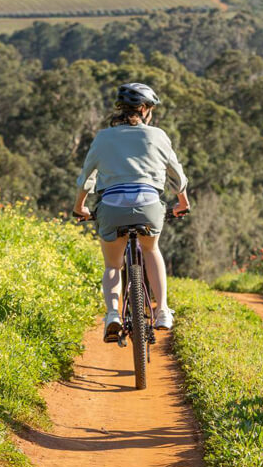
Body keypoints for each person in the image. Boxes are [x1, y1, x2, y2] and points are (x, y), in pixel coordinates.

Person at [73, 83, 190, 341]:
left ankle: (113, 314)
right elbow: (177, 175)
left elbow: (86, 178)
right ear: (145, 109)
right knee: (150, 249)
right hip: (149, 205)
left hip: (112, 207)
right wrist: (182, 201)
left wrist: (79, 206)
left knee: (113, 265)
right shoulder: (158, 135)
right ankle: (162, 313)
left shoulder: (103, 137)